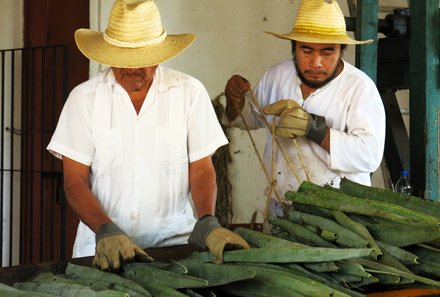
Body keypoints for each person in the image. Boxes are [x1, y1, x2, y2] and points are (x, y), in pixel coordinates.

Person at [47, 0, 249, 270]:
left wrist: (207, 220)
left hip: (175, 245)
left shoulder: (189, 92)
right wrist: (104, 228)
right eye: (123, 60)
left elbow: (201, 168)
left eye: (142, 60)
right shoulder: (84, 99)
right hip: (101, 247)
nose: (132, 69)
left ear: (160, 55)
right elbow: (74, 180)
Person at [223, 0, 386, 213]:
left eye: (327, 52)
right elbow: (251, 119)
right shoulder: (278, 74)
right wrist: (235, 100)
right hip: (281, 208)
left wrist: (316, 131)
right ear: (294, 47)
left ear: (342, 49)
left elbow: (369, 156)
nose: (316, 63)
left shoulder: (358, 87)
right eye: (306, 50)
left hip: (340, 214)